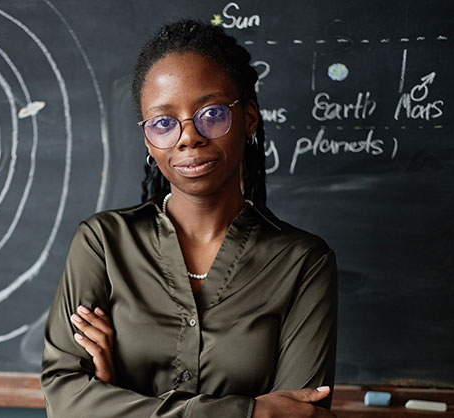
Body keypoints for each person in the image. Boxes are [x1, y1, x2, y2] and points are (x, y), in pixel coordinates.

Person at [41, 19, 337, 418]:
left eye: (211, 113)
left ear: (249, 118)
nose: (188, 136)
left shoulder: (303, 262)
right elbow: (65, 400)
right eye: (163, 123)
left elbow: (301, 414)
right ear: (148, 139)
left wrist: (115, 395)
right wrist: (252, 412)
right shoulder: (103, 243)